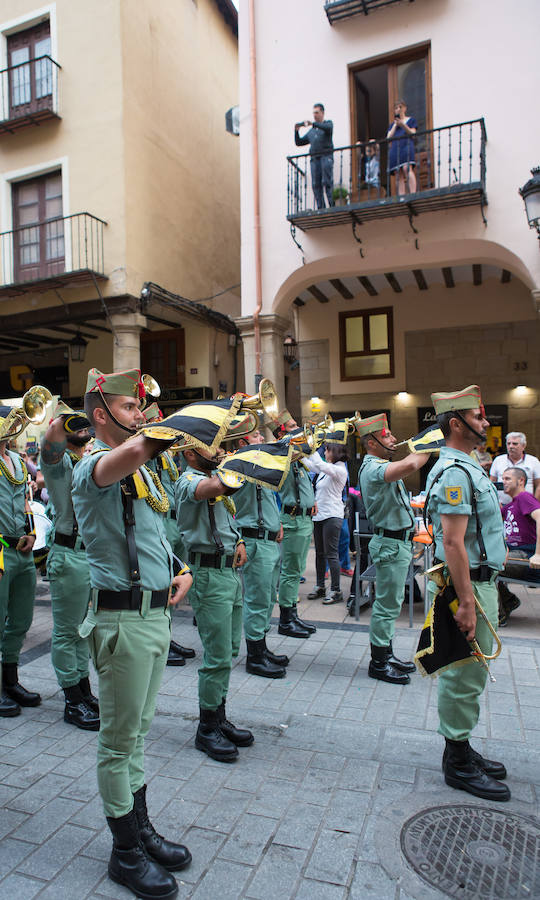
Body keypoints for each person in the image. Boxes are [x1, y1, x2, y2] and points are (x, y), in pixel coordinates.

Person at [73, 368, 193, 900]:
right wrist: (181, 426)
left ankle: (140, 830)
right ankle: (124, 854)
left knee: (137, 734)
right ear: (101, 415)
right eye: (129, 407)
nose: (140, 414)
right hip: (120, 621)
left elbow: (151, 533)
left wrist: (179, 566)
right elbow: (134, 453)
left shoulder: (139, 475)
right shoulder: (91, 466)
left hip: (150, 615)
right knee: (119, 741)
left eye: (139, 408)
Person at [426, 385, 510, 801]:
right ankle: (457, 762)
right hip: (467, 584)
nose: (487, 422)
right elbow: (453, 542)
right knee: (464, 672)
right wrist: (468, 603)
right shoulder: (456, 472)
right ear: (456, 424)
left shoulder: (468, 466)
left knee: (472, 672)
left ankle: (461, 746)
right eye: (478, 418)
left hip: (478, 580)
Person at [175, 442, 254, 763]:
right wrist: (245, 463)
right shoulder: (189, 480)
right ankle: (206, 728)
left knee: (230, 650)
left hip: (228, 575)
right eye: (212, 447)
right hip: (207, 575)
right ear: (191, 454)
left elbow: (224, 517)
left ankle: (218, 717)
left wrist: (238, 539)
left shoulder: (213, 474)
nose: (219, 451)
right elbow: (213, 488)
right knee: (217, 655)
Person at [357, 414, 430, 684]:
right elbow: (411, 464)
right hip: (389, 543)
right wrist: (428, 443)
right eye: (387, 436)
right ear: (371, 442)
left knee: (391, 603)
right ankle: (378, 663)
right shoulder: (373, 468)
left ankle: (385, 654)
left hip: (396, 543)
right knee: (387, 606)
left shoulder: (380, 464)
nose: (394, 439)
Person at [40, 403, 99, 731]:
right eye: (74, 425)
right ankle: (72, 700)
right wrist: (62, 423)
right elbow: (50, 444)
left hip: (89, 556)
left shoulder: (92, 458)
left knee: (82, 630)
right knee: (66, 631)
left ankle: (83, 690)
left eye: (83, 423)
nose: (81, 428)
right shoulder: (59, 463)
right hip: (68, 554)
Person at [233, 428, 288, 678]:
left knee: (268, 598)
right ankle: (254, 657)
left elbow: (267, 499)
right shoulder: (239, 465)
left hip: (269, 538)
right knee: (256, 599)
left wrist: (277, 521)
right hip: (254, 539)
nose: (262, 439)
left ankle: (262, 648)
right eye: (256, 436)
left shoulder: (262, 463)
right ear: (244, 441)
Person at [143, 402, 195, 667]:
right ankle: (159, 641)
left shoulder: (168, 456)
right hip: (162, 522)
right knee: (162, 583)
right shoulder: (151, 454)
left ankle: (168, 636)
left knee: (174, 581)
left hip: (176, 523)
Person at [0, 406, 40, 718]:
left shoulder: (15, 460)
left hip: (21, 548)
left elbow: (25, 499)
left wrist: (30, 530)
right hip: (0, 549)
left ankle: (10, 679)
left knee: (21, 619)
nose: (14, 425)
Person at [273, 412, 318, 638]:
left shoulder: (297, 457)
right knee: (290, 572)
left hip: (303, 518)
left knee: (296, 569)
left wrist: (312, 501)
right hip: (291, 520)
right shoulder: (283, 454)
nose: (297, 428)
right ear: (281, 433)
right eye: (291, 426)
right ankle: (286, 619)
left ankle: (293, 615)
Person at [305, 443, 349, 605]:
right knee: (320, 553)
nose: (325, 452)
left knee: (331, 554)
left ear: (335, 452)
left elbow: (319, 464)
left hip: (332, 515)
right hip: (319, 516)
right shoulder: (327, 469)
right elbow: (312, 465)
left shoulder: (339, 469)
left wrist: (309, 448)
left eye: (327, 450)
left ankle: (336, 590)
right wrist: (300, 454)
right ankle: (320, 586)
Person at [497, 467, 540, 625]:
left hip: (526, 556)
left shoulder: (524, 497)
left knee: (489, 565)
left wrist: (538, 554)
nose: (504, 482)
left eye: (508, 478)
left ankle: (498, 614)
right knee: (484, 561)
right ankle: (508, 601)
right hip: (514, 554)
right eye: (503, 478)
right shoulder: (511, 505)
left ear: (521, 481)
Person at [294, 103, 334, 209]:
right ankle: (321, 207)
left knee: (326, 181)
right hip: (315, 159)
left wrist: (313, 124)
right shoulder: (312, 132)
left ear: (322, 113)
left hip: (326, 156)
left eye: (317, 112)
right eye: (314, 113)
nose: (315, 115)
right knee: (316, 184)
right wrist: (296, 131)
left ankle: (331, 204)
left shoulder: (328, 124)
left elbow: (328, 128)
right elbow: (299, 142)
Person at [489, 432, 540, 500]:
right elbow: (491, 484)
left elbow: (539, 485)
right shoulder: (498, 460)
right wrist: (496, 502)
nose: (511, 446)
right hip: (502, 505)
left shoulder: (533, 461)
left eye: (515, 444)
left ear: (523, 446)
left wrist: (535, 504)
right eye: (508, 443)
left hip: (525, 506)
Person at [386, 99, 417, 195]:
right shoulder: (392, 125)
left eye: (400, 107)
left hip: (406, 146)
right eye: (396, 108)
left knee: (406, 168)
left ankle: (413, 193)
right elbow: (388, 137)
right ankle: (401, 196)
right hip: (395, 149)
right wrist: (396, 125)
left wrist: (403, 125)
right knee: (398, 174)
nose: (398, 109)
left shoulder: (411, 120)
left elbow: (413, 133)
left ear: (405, 108)